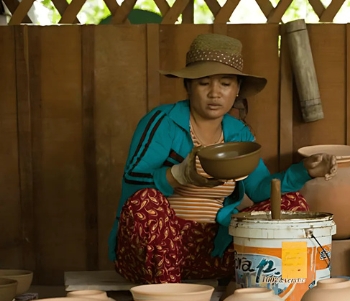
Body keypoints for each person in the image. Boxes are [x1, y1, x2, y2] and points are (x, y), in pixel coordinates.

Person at [108, 33, 336, 284]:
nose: (215, 93)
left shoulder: (238, 132)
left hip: (214, 251)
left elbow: (261, 190)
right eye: (204, 83)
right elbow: (133, 177)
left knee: (291, 204)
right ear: (188, 86)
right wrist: (178, 174)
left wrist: (304, 170)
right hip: (156, 252)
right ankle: (169, 298)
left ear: (237, 89)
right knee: (146, 201)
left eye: (225, 84)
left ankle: (283, 290)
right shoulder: (163, 121)